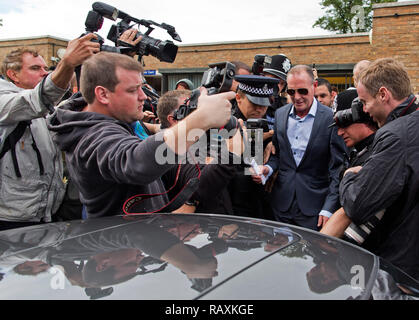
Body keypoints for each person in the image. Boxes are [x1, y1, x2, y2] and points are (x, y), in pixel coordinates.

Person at [48, 52, 235, 218]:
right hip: (118, 251)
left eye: (141, 87)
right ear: (103, 94)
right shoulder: (90, 136)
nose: (143, 96)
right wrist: (202, 119)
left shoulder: (116, 119)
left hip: (141, 242)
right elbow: (136, 162)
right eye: (132, 90)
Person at [326, 58, 419, 280]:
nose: (365, 110)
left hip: (400, 267)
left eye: (365, 101)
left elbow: (358, 204)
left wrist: (349, 177)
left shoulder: (395, 135)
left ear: (383, 94)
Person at [0, 33, 100, 230]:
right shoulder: (7, 101)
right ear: (13, 74)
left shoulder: (45, 109)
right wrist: (67, 63)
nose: (44, 73)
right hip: (10, 221)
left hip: (45, 216)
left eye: (46, 68)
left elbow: (65, 108)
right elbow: (37, 101)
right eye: (35, 68)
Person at [252, 65, 347, 231]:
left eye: (302, 91)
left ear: (314, 86)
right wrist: (267, 169)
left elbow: (337, 169)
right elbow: (278, 156)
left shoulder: (330, 119)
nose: (297, 97)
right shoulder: (280, 115)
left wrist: (328, 207)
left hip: (315, 211)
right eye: (291, 92)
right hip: (281, 206)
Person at [156, 89, 244, 215]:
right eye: (192, 111)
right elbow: (202, 184)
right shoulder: (169, 150)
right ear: (174, 119)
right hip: (196, 227)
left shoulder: (201, 139)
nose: (201, 114)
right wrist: (231, 153)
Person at [320, 89, 378, 248]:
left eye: (344, 123)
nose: (339, 132)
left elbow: (350, 210)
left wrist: (319, 247)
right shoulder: (360, 150)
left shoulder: (378, 154)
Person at [228, 75, 279, 220]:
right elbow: (215, 168)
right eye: (254, 103)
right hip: (232, 210)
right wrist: (247, 172)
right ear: (239, 98)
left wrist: (268, 166)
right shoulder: (225, 124)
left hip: (259, 206)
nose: (260, 109)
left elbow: (274, 155)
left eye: (263, 104)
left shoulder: (263, 124)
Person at [261, 54, 292, 130]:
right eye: (275, 80)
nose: (278, 87)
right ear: (262, 77)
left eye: (282, 83)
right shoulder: (250, 101)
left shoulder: (285, 107)